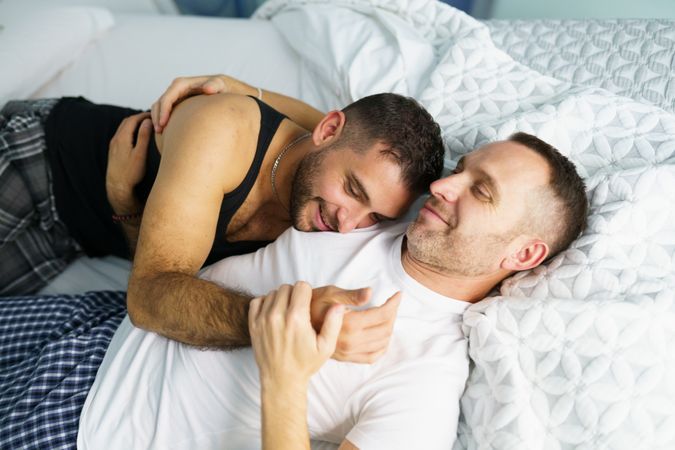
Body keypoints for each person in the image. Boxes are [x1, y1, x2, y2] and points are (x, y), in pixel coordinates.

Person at [74, 132, 589, 449]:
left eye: (480, 191)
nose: (442, 187)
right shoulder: (381, 213)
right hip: (97, 324)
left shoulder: (429, 375)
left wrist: (285, 376)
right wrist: (236, 87)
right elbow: (339, 136)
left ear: (523, 255)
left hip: (89, 425)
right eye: (461, 170)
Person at [0, 78, 443, 363]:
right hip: (37, 161)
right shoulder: (224, 131)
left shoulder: (330, 190)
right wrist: (288, 325)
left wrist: (123, 203)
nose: (348, 225)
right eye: (353, 190)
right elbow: (149, 296)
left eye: (374, 217)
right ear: (327, 131)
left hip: (70, 240)